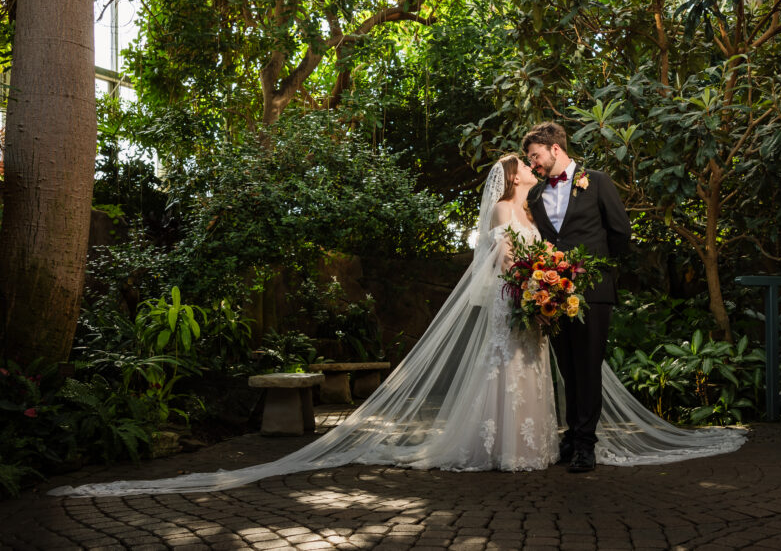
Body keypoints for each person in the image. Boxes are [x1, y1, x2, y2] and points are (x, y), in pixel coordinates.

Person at [49, 153, 744, 498]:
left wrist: (554, 282)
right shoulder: (511, 213)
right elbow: (499, 266)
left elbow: (583, 244)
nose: (530, 169)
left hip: (547, 305)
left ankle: (547, 445)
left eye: (534, 161)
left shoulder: (546, 207)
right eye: (522, 166)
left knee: (549, 375)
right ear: (513, 178)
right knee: (519, 371)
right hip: (521, 307)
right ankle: (514, 446)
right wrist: (531, 286)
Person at [523, 121, 631, 473]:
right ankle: (572, 434)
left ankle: (586, 445)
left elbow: (620, 232)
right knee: (567, 369)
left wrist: (596, 271)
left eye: (536, 156)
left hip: (593, 292)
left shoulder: (597, 181)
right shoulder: (536, 196)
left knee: (587, 368)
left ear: (555, 149)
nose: (534, 164)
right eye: (530, 159)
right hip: (553, 294)